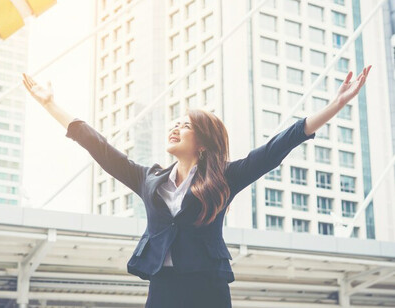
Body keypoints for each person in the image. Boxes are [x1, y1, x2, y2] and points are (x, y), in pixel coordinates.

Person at [22, 65, 371, 308]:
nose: (174, 127)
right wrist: (50, 103)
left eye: (185, 125)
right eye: (174, 123)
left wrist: (336, 104)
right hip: (162, 285)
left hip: (208, 286)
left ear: (202, 142)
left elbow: (281, 144)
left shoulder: (225, 177)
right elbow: (97, 146)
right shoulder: (149, 179)